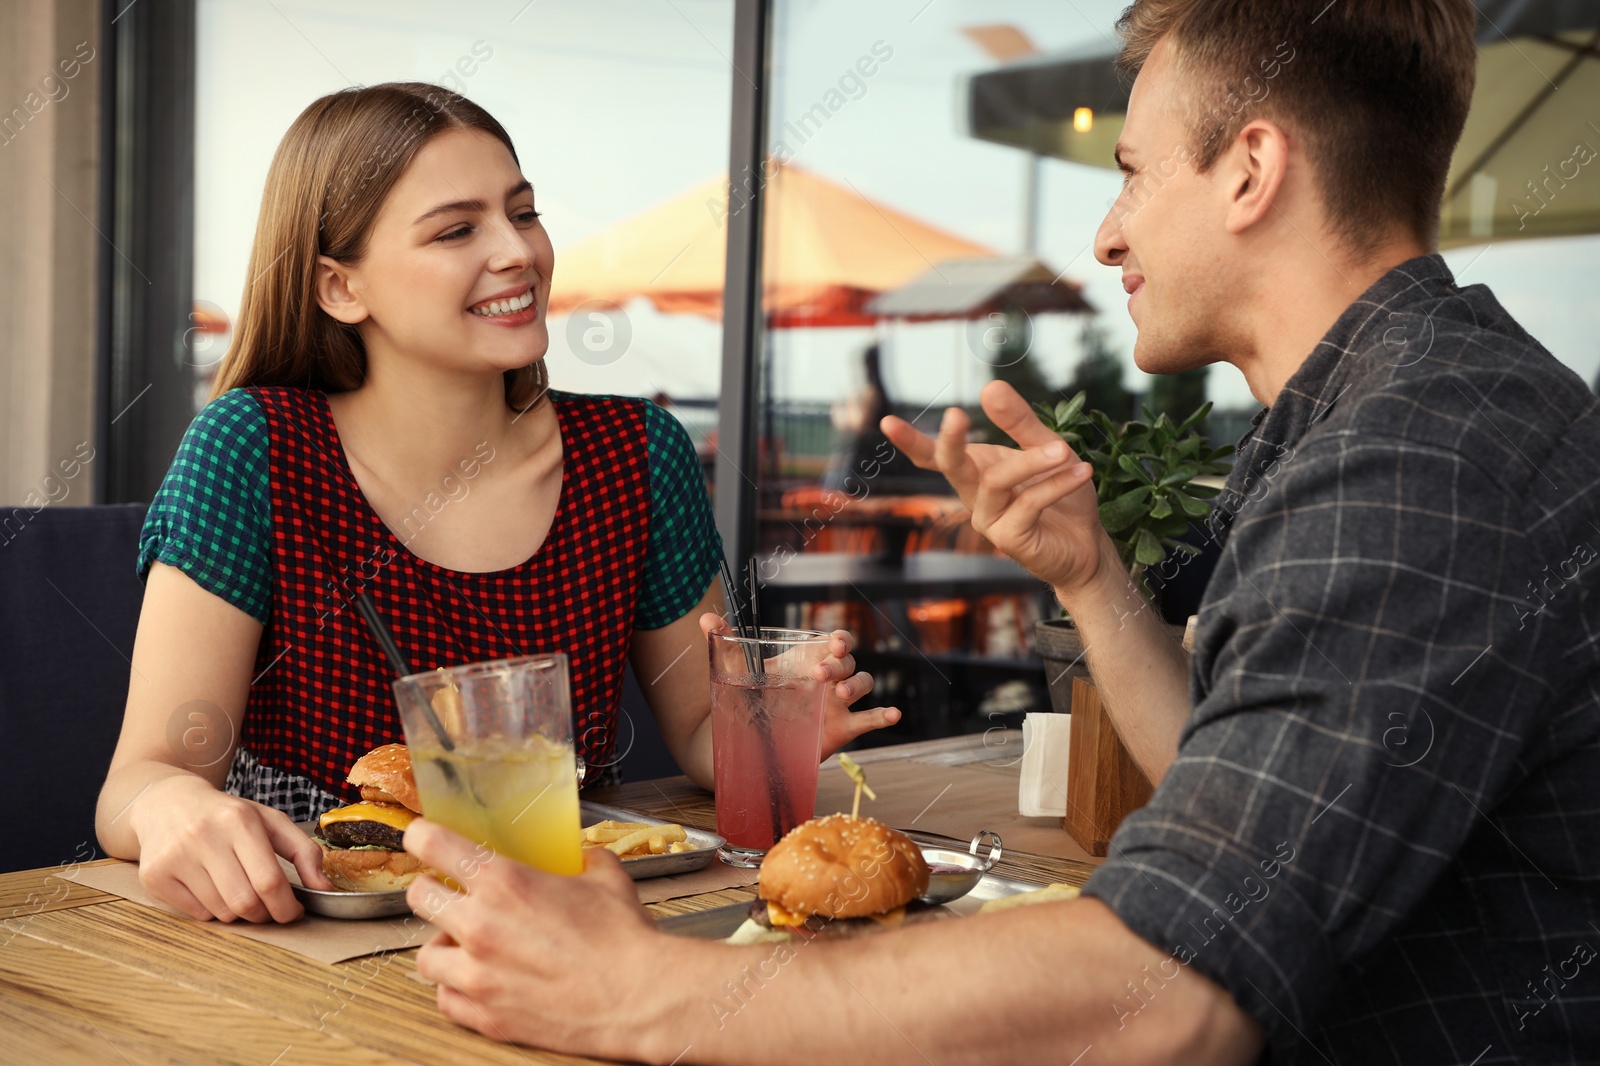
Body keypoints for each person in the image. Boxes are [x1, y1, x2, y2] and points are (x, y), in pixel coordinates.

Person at [396, 1, 1600, 1063]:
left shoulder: (1419, 456)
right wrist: (1092, 579)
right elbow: (1247, 815)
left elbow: (1174, 990)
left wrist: (642, 991)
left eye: (1132, 173)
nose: (1107, 235)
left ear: (1249, 170)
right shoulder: (1380, 411)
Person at [94, 83, 899, 926]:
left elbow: (702, 733)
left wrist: (776, 715)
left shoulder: (637, 456)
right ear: (339, 287)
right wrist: (169, 806)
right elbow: (139, 780)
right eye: (456, 230)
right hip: (296, 934)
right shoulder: (251, 450)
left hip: (554, 921)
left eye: (524, 213)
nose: (518, 251)